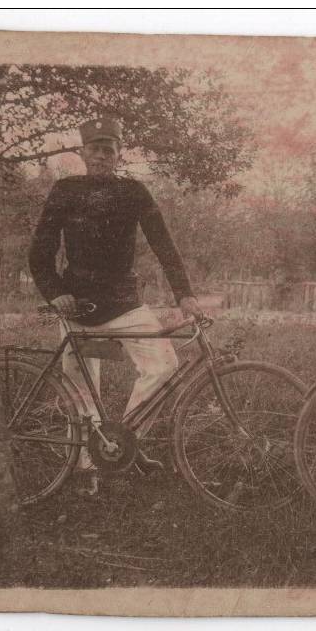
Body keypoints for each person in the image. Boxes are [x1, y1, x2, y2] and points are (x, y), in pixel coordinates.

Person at [29, 117, 204, 487]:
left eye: (108, 150)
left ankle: (125, 443)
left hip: (125, 304)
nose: (101, 156)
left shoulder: (135, 192)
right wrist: (56, 292)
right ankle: (87, 466)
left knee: (164, 364)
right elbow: (39, 254)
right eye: (94, 149)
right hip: (78, 307)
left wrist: (184, 294)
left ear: (119, 153)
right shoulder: (65, 190)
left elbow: (164, 245)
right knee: (80, 390)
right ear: (82, 152)